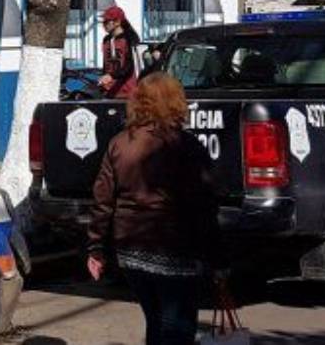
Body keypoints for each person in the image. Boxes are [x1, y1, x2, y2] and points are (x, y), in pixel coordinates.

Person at [87, 72, 225, 345]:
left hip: (130, 249)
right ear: (175, 102)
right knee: (177, 328)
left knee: (156, 321)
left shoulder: (119, 143)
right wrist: (219, 259)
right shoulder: (185, 146)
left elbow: (102, 200)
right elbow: (204, 207)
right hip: (175, 249)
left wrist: (96, 249)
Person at [99, 6, 141, 99]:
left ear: (117, 22)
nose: (103, 24)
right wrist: (104, 78)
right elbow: (106, 64)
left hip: (127, 91)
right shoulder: (106, 40)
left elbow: (130, 65)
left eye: (106, 21)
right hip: (110, 91)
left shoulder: (129, 39)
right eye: (103, 22)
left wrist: (112, 76)